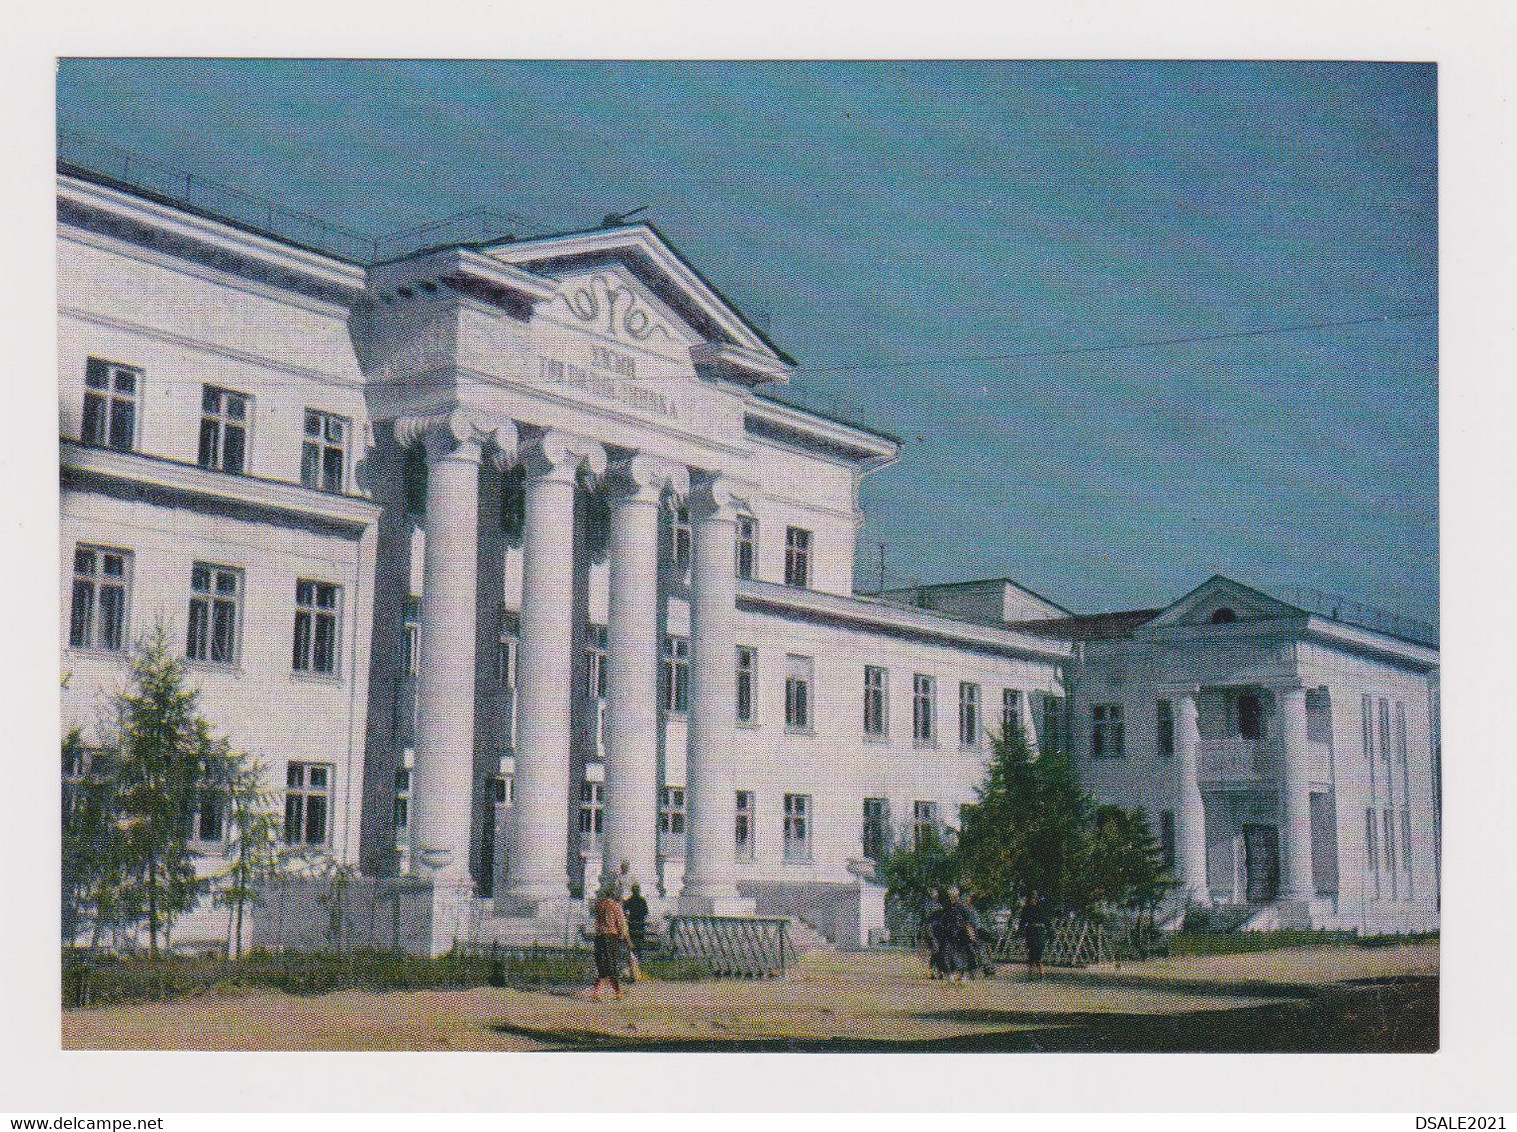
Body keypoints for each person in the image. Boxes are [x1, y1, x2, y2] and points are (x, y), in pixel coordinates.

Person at [590, 881, 633, 1001]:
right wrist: (626, 938)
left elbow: (597, 921)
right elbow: (621, 923)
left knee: (603, 966)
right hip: (611, 936)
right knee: (612, 965)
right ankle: (615, 992)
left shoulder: (600, 905)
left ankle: (605, 992)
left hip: (599, 937)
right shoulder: (615, 906)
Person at [1019, 891, 1047, 980]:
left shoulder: (1041, 908)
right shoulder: (1026, 909)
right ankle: (1030, 972)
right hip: (1031, 931)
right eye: (1031, 898)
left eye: (1035, 898)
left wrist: (1051, 932)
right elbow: (1022, 921)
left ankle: (1041, 971)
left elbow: (1047, 921)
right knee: (1031, 951)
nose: (1033, 900)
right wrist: (1020, 931)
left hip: (1040, 932)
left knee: (1038, 951)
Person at [622, 882, 649, 968]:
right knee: (639, 940)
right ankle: (639, 957)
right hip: (640, 923)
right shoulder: (642, 900)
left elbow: (623, 909)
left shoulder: (630, 900)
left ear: (632, 891)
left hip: (632, 923)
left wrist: (628, 915)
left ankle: (632, 957)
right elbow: (646, 911)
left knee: (632, 940)